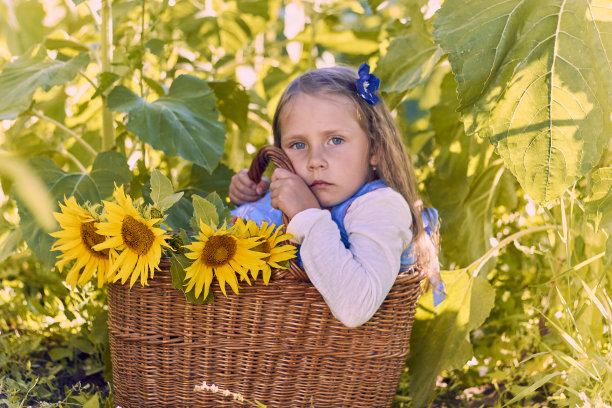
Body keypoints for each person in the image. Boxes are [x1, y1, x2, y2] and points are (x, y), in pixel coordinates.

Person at [229, 63, 444, 328]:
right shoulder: (306, 195)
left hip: (320, 358)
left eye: (335, 140)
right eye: (298, 145)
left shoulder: (380, 206)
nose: (315, 161)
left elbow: (356, 306)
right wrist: (254, 199)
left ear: (374, 148)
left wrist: (307, 215)